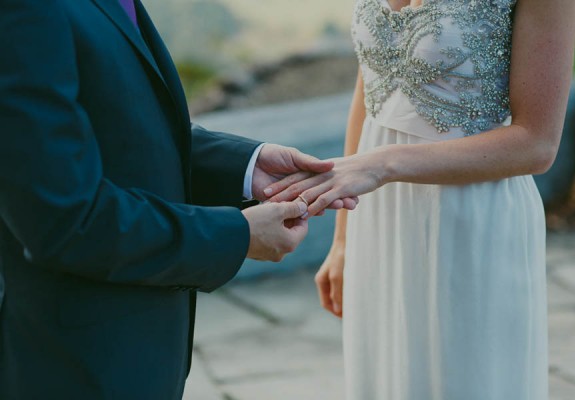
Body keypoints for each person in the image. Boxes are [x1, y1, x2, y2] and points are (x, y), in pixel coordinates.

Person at [0, 0, 356, 398]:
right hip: (74, 365)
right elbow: (64, 218)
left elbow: (120, 128)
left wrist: (245, 164)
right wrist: (236, 235)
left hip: (142, 354)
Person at [266, 0, 575, 398]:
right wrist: (343, 240)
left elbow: (536, 144)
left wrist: (384, 164)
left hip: (469, 220)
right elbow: (373, 87)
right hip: (376, 214)